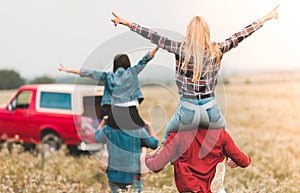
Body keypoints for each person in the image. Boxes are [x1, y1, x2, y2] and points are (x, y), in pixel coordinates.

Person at [111, 5, 279, 144]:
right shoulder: (217, 50)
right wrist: (264, 19)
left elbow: (154, 36)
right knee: (224, 140)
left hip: (187, 108)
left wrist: (127, 23)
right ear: (207, 32)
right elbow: (240, 35)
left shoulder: (180, 48)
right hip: (210, 108)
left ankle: (164, 155)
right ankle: (224, 158)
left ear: (188, 32)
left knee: (167, 136)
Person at [59, 47, 159, 193]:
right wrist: (155, 49)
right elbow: (144, 60)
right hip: (132, 118)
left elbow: (89, 73)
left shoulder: (108, 77)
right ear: (127, 64)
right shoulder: (132, 73)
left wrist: (68, 70)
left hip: (113, 118)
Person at [145, 128, 251, 193]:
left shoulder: (176, 135)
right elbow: (244, 162)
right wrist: (239, 160)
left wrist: (148, 157)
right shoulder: (219, 132)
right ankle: (219, 166)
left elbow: (155, 167)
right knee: (220, 156)